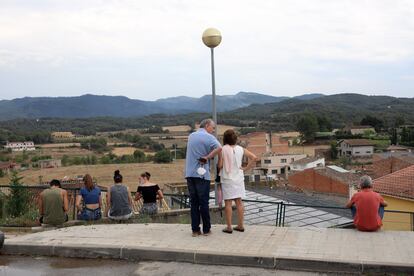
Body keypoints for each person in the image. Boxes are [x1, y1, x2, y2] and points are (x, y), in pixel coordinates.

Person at [185, 119, 222, 237]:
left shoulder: (191, 135)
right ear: (207, 125)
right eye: (213, 128)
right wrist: (208, 156)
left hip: (190, 174)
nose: (213, 130)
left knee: (194, 203)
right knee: (204, 203)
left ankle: (195, 230)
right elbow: (219, 148)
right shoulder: (209, 137)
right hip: (202, 175)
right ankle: (206, 230)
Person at [218, 129, 258, 234]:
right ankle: (240, 225)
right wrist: (245, 168)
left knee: (228, 203)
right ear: (235, 139)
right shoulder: (241, 149)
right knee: (239, 202)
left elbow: (220, 165)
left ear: (225, 139)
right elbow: (254, 157)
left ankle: (229, 227)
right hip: (239, 178)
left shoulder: (223, 150)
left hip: (227, 179)